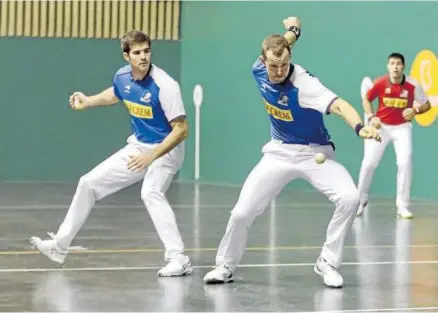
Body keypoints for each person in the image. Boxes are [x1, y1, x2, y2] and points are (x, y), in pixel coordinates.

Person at [203, 17, 381, 288]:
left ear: (291, 59)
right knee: (241, 212)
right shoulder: (258, 69)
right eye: (273, 66)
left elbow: (341, 105)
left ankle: (327, 262)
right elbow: (282, 42)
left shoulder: (305, 85)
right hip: (278, 152)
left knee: (350, 197)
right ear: (263, 62)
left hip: (315, 154)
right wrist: (295, 29)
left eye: (284, 65)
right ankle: (225, 265)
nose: (279, 71)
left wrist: (359, 127)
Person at [30, 30, 193, 277]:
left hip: (166, 150)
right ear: (126, 56)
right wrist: (88, 100)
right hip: (138, 146)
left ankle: (178, 258)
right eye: (137, 52)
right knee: (88, 183)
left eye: (146, 51)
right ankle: (60, 246)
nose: (143, 57)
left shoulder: (165, 85)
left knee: (150, 192)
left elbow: (181, 130)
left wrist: (152, 156)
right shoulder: (122, 77)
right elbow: (116, 93)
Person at [356, 52, 431, 219]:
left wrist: (416, 110)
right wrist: (371, 117)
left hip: (402, 128)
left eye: (398, 63)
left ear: (403, 66)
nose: (395, 66)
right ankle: (360, 200)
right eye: (392, 63)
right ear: (388, 66)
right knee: (368, 163)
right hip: (381, 126)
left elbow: (427, 105)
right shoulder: (381, 83)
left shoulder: (413, 85)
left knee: (405, 162)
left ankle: (402, 206)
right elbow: (366, 99)